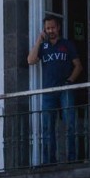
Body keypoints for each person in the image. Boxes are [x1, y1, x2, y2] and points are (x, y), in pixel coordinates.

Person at [27, 15, 82, 165]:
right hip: (48, 91)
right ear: (44, 29)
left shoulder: (67, 44)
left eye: (53, 27)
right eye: (47, 28)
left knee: (70, 124)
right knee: (47, 126)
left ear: (58, 27)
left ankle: (72, 159)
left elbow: (78, 65)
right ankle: (49, 161)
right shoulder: (43, 47)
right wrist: (39, 40)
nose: (50, 30)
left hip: (65, 89)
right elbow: (30, 60)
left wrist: (70, 81)